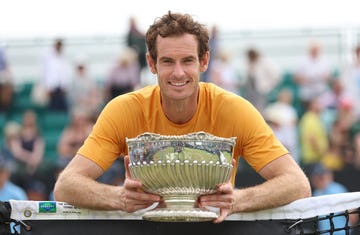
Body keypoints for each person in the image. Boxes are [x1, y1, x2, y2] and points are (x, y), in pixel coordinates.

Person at [54, 11, 311, 224]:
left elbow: (297, 184)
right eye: (167, 61)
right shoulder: (123, 110)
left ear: (204, 61)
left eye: (188, 60)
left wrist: (239, 200)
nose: (178, 73)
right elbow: (65, 186)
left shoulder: (235, 110)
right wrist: (118, 198)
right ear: (151, 64)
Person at [41, 38, 71, 112]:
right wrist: (47, 87)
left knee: (63, 107)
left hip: (61, 89)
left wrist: (65, 86)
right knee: (52, 108)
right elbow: (45, 73)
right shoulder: (48, 58)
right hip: (52, 88)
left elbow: (64, 74)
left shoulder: (63, 58)